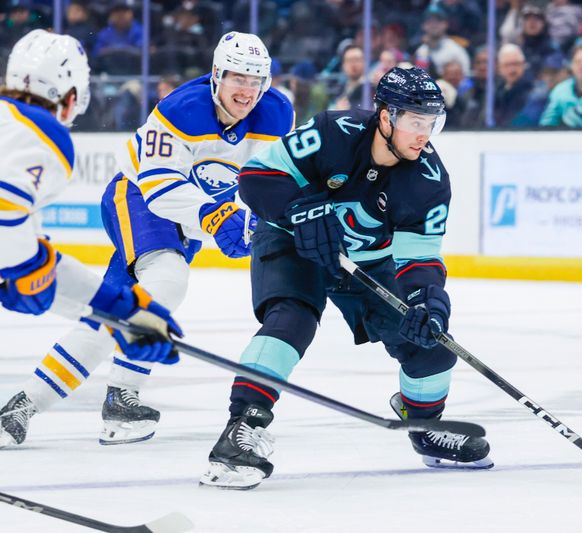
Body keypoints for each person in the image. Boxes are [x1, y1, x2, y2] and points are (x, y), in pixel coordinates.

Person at [199, 66, 492, 490]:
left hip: (369, 263)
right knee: (291, 319)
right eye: (415, 121)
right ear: (386, 116)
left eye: (431, 123)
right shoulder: (334, 130)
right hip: (292, 241)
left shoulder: (428, 180)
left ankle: (425, 424)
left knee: (430, 343)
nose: (424, 134)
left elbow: (420, 258)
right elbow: (256, 178)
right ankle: (241, 427)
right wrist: (299, 209)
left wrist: (427, 300)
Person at [0, 31, 294, 449]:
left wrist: (256, 220)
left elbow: (269, 181)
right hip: (138, 197)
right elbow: (157, 185)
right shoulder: (182, 108)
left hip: (189, 221)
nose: (245, 90)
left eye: (254, 80)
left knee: (118, 307)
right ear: (216, 74)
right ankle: (117, 392)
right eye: (236, 77)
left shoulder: (278, 114)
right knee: (165, 282)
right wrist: (216, 216)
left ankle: (32, 403)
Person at [0, 30, 182, 446]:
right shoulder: (41, 133)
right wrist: (26, 270)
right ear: (69, 98)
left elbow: (27, 252)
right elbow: (8, 225)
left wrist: (118, 307)